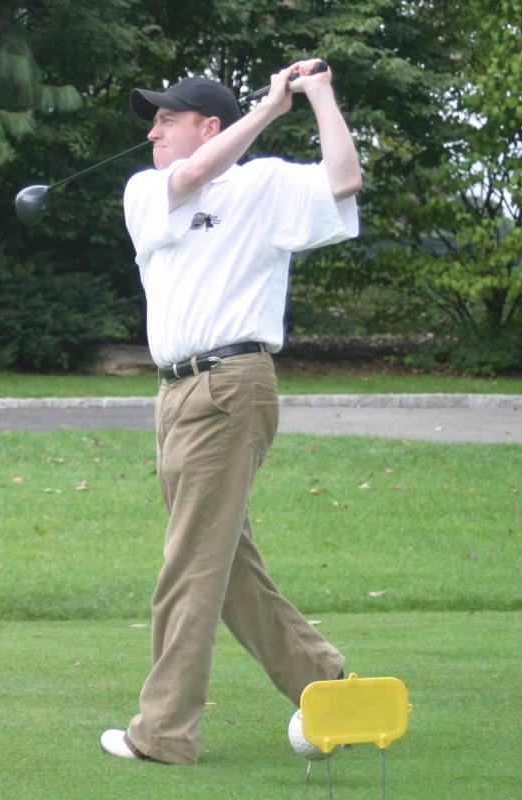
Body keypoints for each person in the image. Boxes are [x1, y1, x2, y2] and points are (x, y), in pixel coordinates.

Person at [99, 61, 362, 764]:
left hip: (232, 382)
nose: (152, 129)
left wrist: (317, 96)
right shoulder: (148, 188)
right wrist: (268, 111)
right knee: (227, 565)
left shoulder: (265, 183)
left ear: (208, 125)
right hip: (174, 394)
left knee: (189, 564)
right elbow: (189, 180)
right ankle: (330, 683)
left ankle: (164, 733)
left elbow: (343, 180)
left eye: (167, 117)